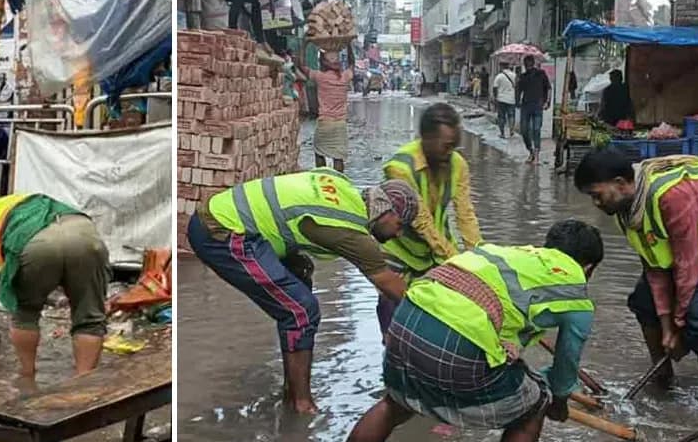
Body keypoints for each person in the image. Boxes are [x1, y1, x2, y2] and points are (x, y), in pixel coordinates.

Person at [318, 220, 604, 442]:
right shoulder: (576, 294)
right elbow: (566, 365)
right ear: (587, 268)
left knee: (396, 403)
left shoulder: (504, 254)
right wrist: (558, 401)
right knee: (534, 407)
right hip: (456, 341)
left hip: (406, 322)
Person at [186, 172, 419, 414]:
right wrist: (433, 310)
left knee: (300, 274)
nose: (399, 234)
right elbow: (388, 283)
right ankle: (301, 405)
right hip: (221, 233)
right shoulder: (351, 231)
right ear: (386, 211)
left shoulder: (342, 186)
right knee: (301, 311)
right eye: (400, 226)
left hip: (222, 214)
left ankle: (291, 389)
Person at [574, 151, 698, 409]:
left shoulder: (670, 196)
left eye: (597, 195)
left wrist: (678, 325)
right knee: (643, 303)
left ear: (621, 183)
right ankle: (662, 375)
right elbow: (656, 269)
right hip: (696, 238)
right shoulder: (627, 211)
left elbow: (687, 264)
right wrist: (667, 328)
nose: (596, 203)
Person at [0, 193, 110, 382]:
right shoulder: (18, 199)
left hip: (36, 245)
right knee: (90, 319)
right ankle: (83, 385)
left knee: (25, 315)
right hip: (83, 233)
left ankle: (27, 378)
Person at [379, 102, 483, 333]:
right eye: (446, 146)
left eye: (454, 146)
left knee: (440, 320)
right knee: (395, 322)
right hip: (399, 252)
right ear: (426, 138)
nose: (450, 153)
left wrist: (479, 258)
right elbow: (422, 222)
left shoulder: (457, 163)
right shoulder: (400, 168)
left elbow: (465, 214)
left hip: (436, 251)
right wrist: (456, 260)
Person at [300, 50, 354, 171]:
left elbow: (301, 66)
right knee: (338, 157)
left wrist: (305, 44)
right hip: (340, 124)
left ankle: (322, 180)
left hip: (325, 122)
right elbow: (352, 64)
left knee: (319, 152)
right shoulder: (345, 77)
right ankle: (338, 182)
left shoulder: (320, 77)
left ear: (322, 64)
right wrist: (348, 45)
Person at [516, 56, 551, 165]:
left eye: (529, 63)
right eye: (526, 63)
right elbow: (518, 91)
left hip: (538, 106)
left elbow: (548, 88)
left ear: (533, 63)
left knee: (536, 130)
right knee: (524, 130)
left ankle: (536, 156)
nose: (528, 65)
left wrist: (547, 102)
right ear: (524, 65)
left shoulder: (541, 74)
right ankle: (530, 151)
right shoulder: (522, 77)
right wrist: (517, 101)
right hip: (525, 106)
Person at [492, 62, 517, 138]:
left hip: (501, 99)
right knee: (511, 115)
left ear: (501, 67)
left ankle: (502, 133)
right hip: (511, 99)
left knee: (501, 116)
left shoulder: (499, 76)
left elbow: (495, 88)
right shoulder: (514, 75)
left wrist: (495, 97)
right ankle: (511, 131)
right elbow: (517, 86)